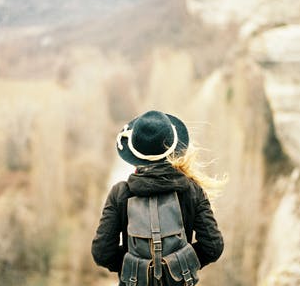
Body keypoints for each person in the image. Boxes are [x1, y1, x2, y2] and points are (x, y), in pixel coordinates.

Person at [91, 110, 224, 285]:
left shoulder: (120, 194)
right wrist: (178, 264)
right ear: (172, 150)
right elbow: (213, 247)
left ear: (135, 153)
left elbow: (102, 253)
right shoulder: (192, 190)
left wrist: (137, 267)